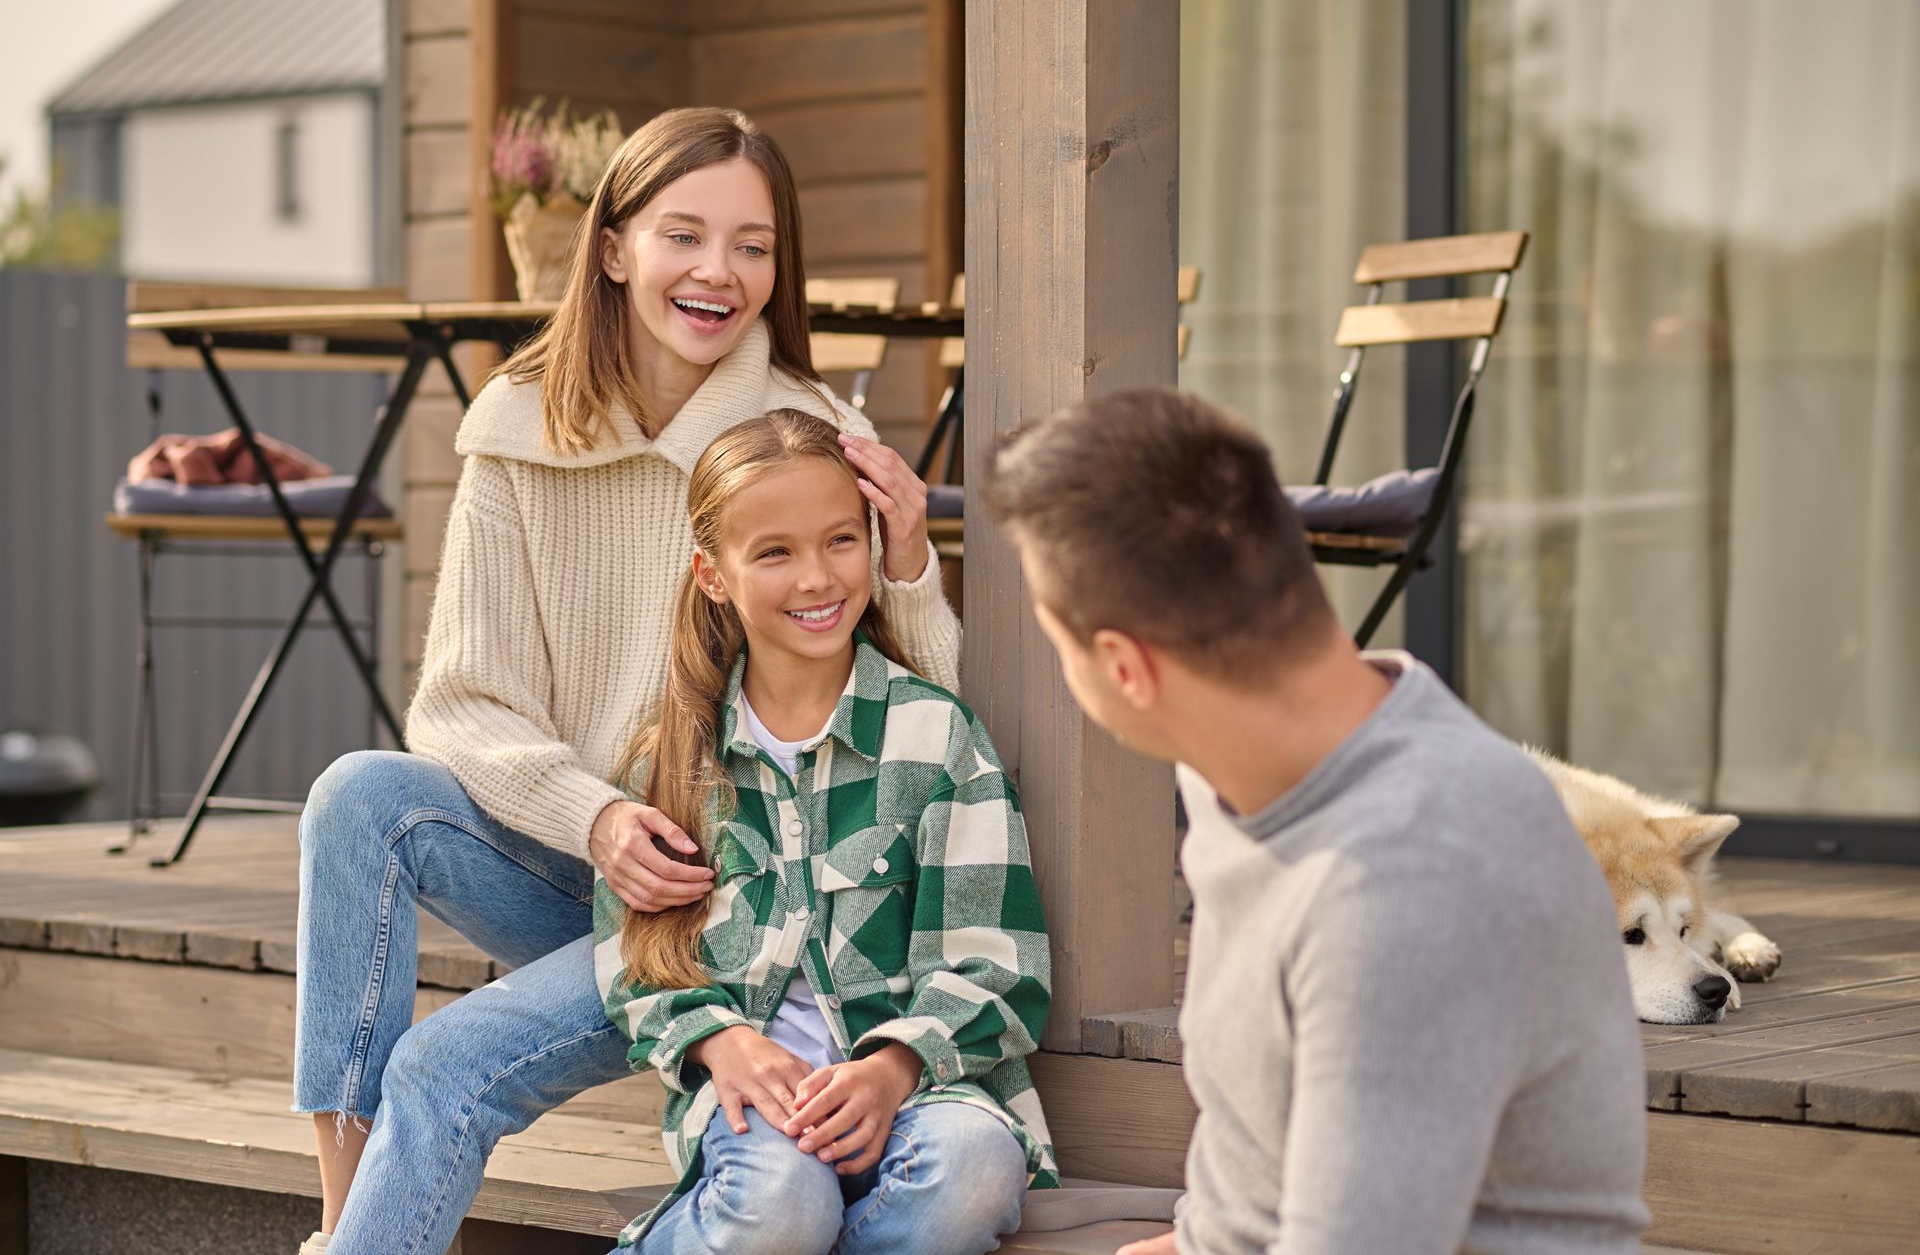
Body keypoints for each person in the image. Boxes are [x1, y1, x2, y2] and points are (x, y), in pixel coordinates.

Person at [292, 108, 962, 1255]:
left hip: (720, 908)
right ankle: (344, 1217)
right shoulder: (515, 426)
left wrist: (906, 566)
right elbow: (457, 700)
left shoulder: (809, 437)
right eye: (685, 235)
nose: (721, 272)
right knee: (360, 794)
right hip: (573, 859)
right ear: (612, 245)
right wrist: (595, 814)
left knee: (444, 1066)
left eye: (754, 245)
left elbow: (935, 716)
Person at [985, 387, 1651, 1255]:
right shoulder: (1245, 771)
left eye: (1053, 640)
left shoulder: (1410, 882)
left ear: (1125, 668)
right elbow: (1262, 1144)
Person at [594, 407, 1054, 1254]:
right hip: (756, 1113)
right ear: (713, 575)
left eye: (841, 540)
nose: (817, 577)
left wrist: (890, 1067)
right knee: (784, 1203)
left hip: (922, 1095)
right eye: (774, 552)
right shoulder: (673, 761)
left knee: (979, 1169)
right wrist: (722, 1040)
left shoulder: (937, 738)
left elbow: (1000, 963)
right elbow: (637, 966)